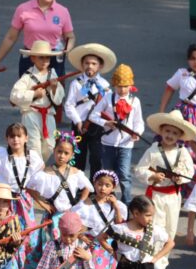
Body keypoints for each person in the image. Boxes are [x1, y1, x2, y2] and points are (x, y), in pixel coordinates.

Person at [136, 110, 196, 269]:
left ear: (180, 136)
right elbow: (139, 169)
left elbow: (189, 172)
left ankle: (161, 265)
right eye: (167, 131)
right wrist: (152, 176)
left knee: (170, 230)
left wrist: (180, 178)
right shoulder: (153, 150)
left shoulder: (182, 152)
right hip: (155, 196)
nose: (170, 135)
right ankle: (152, 266)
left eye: (174, 133)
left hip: (173, 197)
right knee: (155, 229)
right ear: (161, 131)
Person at [23, 131, 93, 269]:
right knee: (51, 248)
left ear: (72, 155)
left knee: (69, 246)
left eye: (66, 153)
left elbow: (88, 188)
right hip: (51, 218)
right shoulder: (45, 173)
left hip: (69, 217)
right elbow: (29, 187)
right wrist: (43, 204)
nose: (62, 156)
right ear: (54, 151)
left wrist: (78, 205)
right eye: (59, 151)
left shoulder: (75, 172)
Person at [0, 0, 75, 78]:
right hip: (30, 57)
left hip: (53, 58)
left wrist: (67, 49)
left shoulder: (63, 11)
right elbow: (10, 37)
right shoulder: (23, 9)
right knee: (27, 88)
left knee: (54, 89)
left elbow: (70, 36)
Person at [0, 122, 45, 269]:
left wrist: (42, 200)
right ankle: (10, 267)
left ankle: (26, 267)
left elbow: (38, 177)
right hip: (6, 198)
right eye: (12, 136)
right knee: (9, 231)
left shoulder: (32, 156)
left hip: (25, 198)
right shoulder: (1, 154)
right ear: (7, 139)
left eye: (19, 136)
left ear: (26, 138)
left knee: (28, 231)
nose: (16, 140)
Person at [74, 169, 126, 269]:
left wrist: (116, 206)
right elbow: (75, 226)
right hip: (92, 248)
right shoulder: (84, 205)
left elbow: (120, 225)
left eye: (107, 185)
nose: (103, 188)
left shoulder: (119, 206)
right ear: (94, 184)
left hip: (109, 249)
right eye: (100, 184)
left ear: (113, 187)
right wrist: (82, 237)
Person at [88, 64, 144, 200]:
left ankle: (126, 202)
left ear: (131, 85)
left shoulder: (135, 101)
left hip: (126, 144)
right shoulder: (108, 98)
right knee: (108, 174)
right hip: (108, 143)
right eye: (119, 86)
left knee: (124, 174)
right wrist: (105, 123)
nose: (122, 89)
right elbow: (93, 116)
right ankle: (108, 199)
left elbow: (139, 122)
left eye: (125, 86)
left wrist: (137, 133)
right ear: (114, 85)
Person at [9, 40, 66, 160]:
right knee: (33, 146)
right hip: (31, 114)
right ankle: (36, 168)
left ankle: (38, 165)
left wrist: (54, 88)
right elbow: (14, 96)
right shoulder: (27, 76)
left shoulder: (53, 74)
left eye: (47, 58)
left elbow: (59, 100)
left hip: (48, 114)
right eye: (41, 58)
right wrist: (34, 94)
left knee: (50, 146)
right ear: (33, 58)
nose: (44, 61)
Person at [63, 43, 115, 174]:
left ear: (100, 66)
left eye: (94, 63)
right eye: (86, 63)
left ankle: (94, 183)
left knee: (96, 158)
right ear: (82, 65)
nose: (90, 66)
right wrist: (77, 121)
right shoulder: (76, 83)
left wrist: (108, 122)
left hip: (97, 125)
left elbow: (108, 106)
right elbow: (69, 105)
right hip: (79, 124)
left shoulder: (105, 85)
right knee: (77, 158)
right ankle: (77, 183)